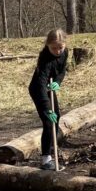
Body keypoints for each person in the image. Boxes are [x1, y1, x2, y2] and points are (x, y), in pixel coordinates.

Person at [28, 28, 68, 170]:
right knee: (49, 121)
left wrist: (57, 81)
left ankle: (52, 150)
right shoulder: (44, 59)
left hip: (50, 87)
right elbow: (40, 84)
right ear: (47, 45)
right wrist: (47, 109)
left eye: (60, 47)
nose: (58, 51)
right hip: (38, 90)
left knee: (56, 118)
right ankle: (46, 160)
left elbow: (62, 70)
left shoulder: (65, 52)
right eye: (54, 48)